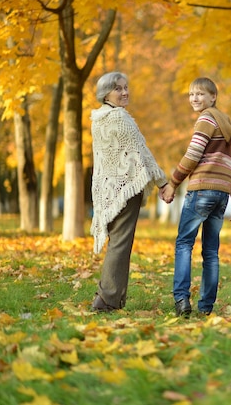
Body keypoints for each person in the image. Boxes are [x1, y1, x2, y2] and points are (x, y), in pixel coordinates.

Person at [161, 77, 231, 317]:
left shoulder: (206, 119)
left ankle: (181, 300)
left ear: (213, 98)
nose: (194, 99)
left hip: (201, 190)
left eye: (200, 94)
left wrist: (173, 183)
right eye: (190, 95)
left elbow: (193, 154)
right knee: (210, 251)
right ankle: (206, 306)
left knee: (184, 243)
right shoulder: (226, 125)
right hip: (220, 194)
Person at [89, 71, 168, 312]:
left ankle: (114, 298)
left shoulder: (98, 118)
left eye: (126, 87)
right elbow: (141, 153)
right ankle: (106, 299)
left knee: (118, 242)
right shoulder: (119, 118)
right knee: (121, 243)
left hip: (108, 189)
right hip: (124, 189)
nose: (125, 92)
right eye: (118, 89)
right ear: (106, 94)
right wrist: (162, 182)